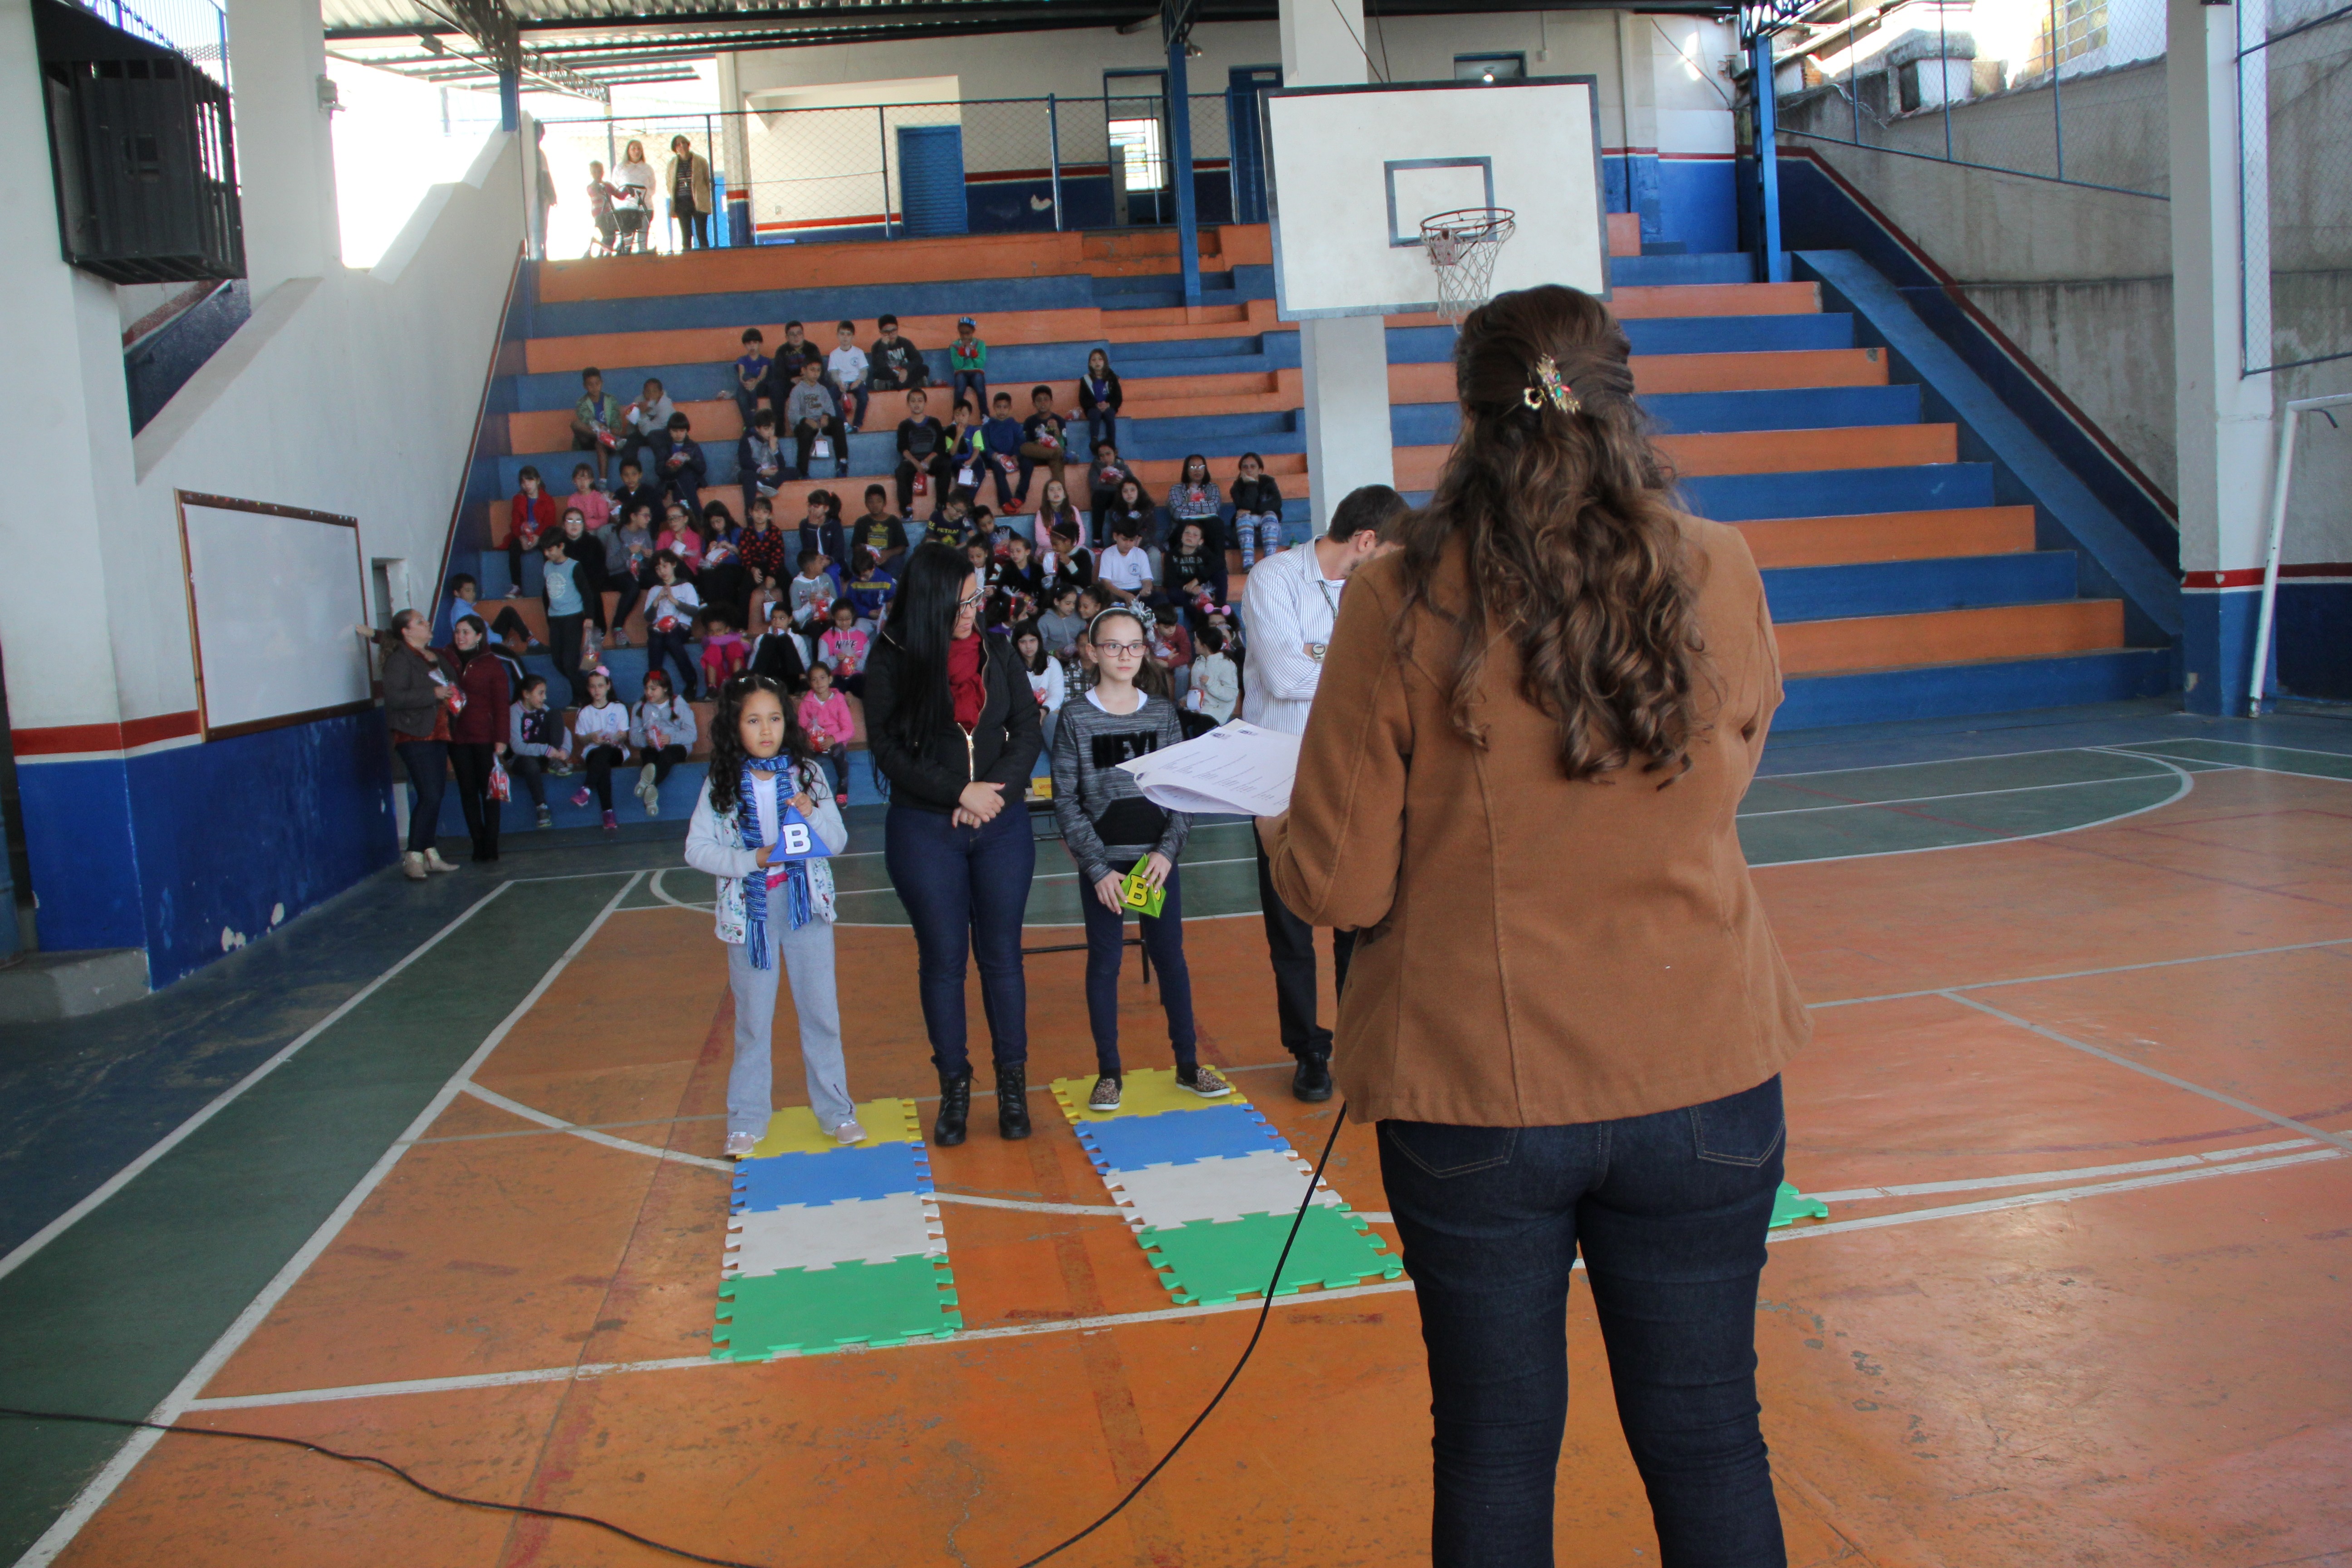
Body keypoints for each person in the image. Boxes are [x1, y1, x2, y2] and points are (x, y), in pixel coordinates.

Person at [1258, 285, 1808, 1568]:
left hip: (1477, 1094)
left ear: (1469, 417)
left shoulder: (1401, 595)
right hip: (1705, 1072)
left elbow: (1340, 887)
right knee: (1713, 1437)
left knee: (1498, 1448)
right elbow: (1736, 761)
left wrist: (1283, 828)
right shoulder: (1717, 562)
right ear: (1621, 400)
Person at [863, 543, 1043, 1147]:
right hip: (924, 830)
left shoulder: (995, 649)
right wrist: (958, 793)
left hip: (1002, 824)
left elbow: (1026, 729)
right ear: (932, 599)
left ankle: (1012, 1087)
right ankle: (955, 1089)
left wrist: (995, 794)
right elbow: (888, 751)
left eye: (977, 598)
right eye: (962, 600)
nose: (973, 610)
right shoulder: (890, 657)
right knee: (942, 962)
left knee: (1002, 958)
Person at [1242, 481, 1404, 1100]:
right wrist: (1364, 669)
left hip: (1354, 774)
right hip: (1275, 777)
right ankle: (1308, 1049)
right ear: (1365, 541)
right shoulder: (1274, 578)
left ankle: (1360, 1041)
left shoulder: (1380, 590)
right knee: (1289, 929)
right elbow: (1284, 678)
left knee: (1356, 918)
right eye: (1389, 553)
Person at [1050, 606, 1227, 1111]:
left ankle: (1188, 1066)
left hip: (1152, 866)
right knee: (1105, 963)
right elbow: (1066, 800)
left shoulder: (1161, 713)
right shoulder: (1076, 719)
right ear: (1092, 652)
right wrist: (1097, 868)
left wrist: (1167, 853)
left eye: (1133, 646)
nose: (1124, 655)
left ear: (1145, 651)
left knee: (1169, 956)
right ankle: (1109, 1072)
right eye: (1112, 646)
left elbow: (1180, 794)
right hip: (1107, 869)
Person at [685, 672, 860, 1156]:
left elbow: (837, 841)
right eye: (754, 721)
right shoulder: (720, 784)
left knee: (821, 1013)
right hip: (751, 919)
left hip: (808, 912)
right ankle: (746, 1117)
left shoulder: (809, 775)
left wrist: (813, 813)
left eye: (776, 719)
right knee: (753, 1022)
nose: (766, 731)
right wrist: (752, 861)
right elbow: (697, 849)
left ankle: (837, 1110)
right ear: (734, 727)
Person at [355, 610, 460, 880]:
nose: (427, 624)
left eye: (426, 621)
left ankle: (430, 853)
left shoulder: (433, 656)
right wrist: (432, 694)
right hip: (414, 735)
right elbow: (395, 697)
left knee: (436, 793)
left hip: (439, 732)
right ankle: (413, 855)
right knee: (430, 794)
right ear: (406, 631)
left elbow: (453, 679)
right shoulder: (399, 659)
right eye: (420, 622)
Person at [436, 612, 510, 862]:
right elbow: (415, 651)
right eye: (457, 632)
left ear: (479, 636)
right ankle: (478, 843)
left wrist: (501, 739)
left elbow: (501, 705)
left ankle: (491, 843)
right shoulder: (445, 657)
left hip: (485, 737)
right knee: (467, 791)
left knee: (489, 792)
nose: (460, 637)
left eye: (466, 632)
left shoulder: (492, 664)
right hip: (457, 737)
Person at [567, 666, 632, 833]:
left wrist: (615, 737)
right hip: (593, 752)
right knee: (601, 761)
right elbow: (581, 738)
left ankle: (587, 789)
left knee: (605, 752)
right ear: (588, 688)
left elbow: (624, 735)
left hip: (615, 751)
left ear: (608, 686)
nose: (596, 690)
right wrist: (591, 737)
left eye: (600, 686)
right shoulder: (584, 712)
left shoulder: (619, 708)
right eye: (593, 686)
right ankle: (608, 813)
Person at [632, 666, 700, 817]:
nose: (649, 693)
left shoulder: (679, 704)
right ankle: (651, 795)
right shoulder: (640, 707)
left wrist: (671, 739)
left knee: (667, 755)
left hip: (676, 746)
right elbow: (634, 737)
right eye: (646, 689)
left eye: (653, 689)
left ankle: (648, 785)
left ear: (665, 689)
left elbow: (692, 734)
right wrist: (646, 740)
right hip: (652, 746)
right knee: (648, 756)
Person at [508, 674, 569, 828]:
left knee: (555, 714)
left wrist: (563, 751)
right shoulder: (514, 712)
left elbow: (565, 731)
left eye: (545, 693)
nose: (545, 697)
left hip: (544, 755)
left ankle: (555, 761)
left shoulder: (543, 709)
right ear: (527, 695)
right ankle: (541, 807)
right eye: (540, 693)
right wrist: (547, 750)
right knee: (531, 766)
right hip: (521, 758)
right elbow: (517, 746)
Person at [642, 550, 703, 699]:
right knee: (655, 641)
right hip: (659, 628)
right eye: (658, 568)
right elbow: (648, 617)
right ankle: (655, 685)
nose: (662, 571)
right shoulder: (655, 590)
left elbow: (694, 611)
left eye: (665, 566)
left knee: (672, 640)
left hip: (680, 627)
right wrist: (657, 601)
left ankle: (691, 681)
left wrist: (673, 600)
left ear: (674, 565)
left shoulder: (686, 586)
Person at [539, 533, 590, 708]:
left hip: (573, 617)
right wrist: (549, 616)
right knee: (557, 660)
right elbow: (546, 593)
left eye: (551, 550)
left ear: (561, 546)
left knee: (570, 662)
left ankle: (581, 696)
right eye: (545, 550)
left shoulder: (574, 566)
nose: (548, 554)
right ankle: (586, 690)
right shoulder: (547, 566)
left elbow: (586, 592)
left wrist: (589, 617)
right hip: (555, 619)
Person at [798, 660, 857, 803]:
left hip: (834, 741)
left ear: (830, 679)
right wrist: (807, 740)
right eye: (814, 679)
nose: (819, 683)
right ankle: (806, 790)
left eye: (823, 678)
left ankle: (843, 788)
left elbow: (849, 729)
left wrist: (833, 739)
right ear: (810, 683)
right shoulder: (807, 703)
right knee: (802, 758)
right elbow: (801, 727)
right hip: (814, 741)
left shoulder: (839, 700)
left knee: (839, 754)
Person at [786, 358, 849, 480]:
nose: (816, 373)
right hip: (805, 425)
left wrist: (826, 417)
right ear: (804, 371)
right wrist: (806, 420)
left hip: (821, 423)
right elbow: (793, 415)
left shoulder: (823, 390)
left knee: (838, 424)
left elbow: (831, 410)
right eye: (812, 370)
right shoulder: (797, 391)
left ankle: (843, 462)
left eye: (818, 371)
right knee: (805, 433)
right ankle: (803, 472)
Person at [894, 387, 951, 515]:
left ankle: (941, 504)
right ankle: (906, 507)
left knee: (945, 464)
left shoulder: (934, 422)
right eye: (913, 401)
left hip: (931, 459)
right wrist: (917, 464)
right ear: (908, 404)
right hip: (912, 460)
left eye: (920, 401)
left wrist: (927, 461)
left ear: (925, 403)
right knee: (901, 471)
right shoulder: (904, 425)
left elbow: (940, 446)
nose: (917, 404)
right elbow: (903, 449)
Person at [1015, 621, 1066, 751]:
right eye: (1023, 642)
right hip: (1023, 714)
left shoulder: (1052, 663)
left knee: (1052, 722)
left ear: (1039, 641)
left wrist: (1044, 711)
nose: (1028, 646)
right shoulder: (1012, 666)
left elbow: (1057, 694)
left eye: (1032, 640)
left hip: (1049, 712)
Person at [1016, 384, 1070, 506]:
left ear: (1051, 402)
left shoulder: (1059, 420)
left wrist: (1056, 431)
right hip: (1038, 455)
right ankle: (1054, 454)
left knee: (1058, 458)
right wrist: (1040, 443)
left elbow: (1063, 445)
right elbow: (1027, 445)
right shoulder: (1030, 421)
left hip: (1054, 456)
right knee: (1023, 448)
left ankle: (1063, 502)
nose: (1043, 403)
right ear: (1034, 404)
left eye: (1046, 399)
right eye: (1039, 400)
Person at [1230, 452, 1285, 569]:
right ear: (1240, 471)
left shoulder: (1269, 483)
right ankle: (1248, 565)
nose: (1249, 470)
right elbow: (1246, 504)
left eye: (1253, 467)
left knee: (1270, 515)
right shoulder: (1237, 488)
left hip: (1270, 532)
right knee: (1243, 518)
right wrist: (1252, 484)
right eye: (1245, 467)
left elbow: (1276, 505)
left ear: (1260, 470)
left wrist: (1254, 510)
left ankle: (1270, 562)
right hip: (1245, 536)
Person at [508, 466, 559, 590]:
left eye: (530, 481)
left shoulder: (547, 500)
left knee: (549, 547)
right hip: (524, 536)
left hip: (542, 535)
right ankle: (516, 587)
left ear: (538, 481)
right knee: (514, 547)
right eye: (523, 482)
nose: (526, 485)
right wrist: (521, 538)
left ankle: (552, 583)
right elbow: (515, 524)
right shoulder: (518, 500)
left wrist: (538, 536)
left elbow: (549, 523)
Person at [572, 369, 623, 486]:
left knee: (600, 444)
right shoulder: (582, 402)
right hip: (590, 436)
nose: (595, 387)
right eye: (590, 385)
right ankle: (605, 437)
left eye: (597, 384)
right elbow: (587, 419)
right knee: (575, 424)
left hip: (606, 439)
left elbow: (616, 421)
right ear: (585, 386)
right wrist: (599, 429)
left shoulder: (611, 400)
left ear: (602, 383)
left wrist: (614, 430)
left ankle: (603, 483)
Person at [1167, 455, 1225, 554]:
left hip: (1208, 529)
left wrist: (1188, 504)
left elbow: (1214, 508)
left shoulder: (1212, 488)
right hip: (1183, 527)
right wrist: (1203, 508)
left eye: (1201, 467)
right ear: (1186, 470)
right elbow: (1177, 512)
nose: (1197, 470)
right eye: (1193, 467)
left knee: (1216, 524)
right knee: (1184, 525)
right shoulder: (1176, 489)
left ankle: (1219, 568)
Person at [978, 392, 1025, 510]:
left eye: (1005, 407)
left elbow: (1020, 442)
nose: (1002, 411)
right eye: (999, 407)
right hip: (995, 459)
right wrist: (995, 456)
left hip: (1012, 458)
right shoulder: (987, 427)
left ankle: (1020, 496)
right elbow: (984, 446)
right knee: (998, 469)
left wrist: (1015, 455)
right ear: (994, 407)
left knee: (1028, 464)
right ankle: (1005, 501)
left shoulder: (1015, 425)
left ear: (1010, 408)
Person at [652, 412, 705, 512]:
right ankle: (696, 513)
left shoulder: (693, 446)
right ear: (669, 431)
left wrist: (689, 460)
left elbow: (702, 469)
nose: (679, 434)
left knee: (684, 476)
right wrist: (670, 468)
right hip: (670, 480)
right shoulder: (663, 447)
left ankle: (682, 508)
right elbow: (659, 470)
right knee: (681, 477)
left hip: (690, 480)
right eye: (675, 431)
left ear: (687, 431)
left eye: (682, 431)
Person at [668, 134, 714, 250]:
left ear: (688, 144)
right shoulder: (672, 164)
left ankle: (705, 259)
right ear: (675, 148)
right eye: (678, 144)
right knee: (686, 235)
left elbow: (706, 180)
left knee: (701, 234)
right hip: (682, 202)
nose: (682, 146)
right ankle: (687, 260)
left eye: (684, 142)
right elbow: (670, 182)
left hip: (698, 200)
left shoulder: (700, 161)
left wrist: (705, 197)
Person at [818, 598, 870, 696]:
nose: (844, 623)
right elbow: (821, 667)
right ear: (833, 617)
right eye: (840, 619)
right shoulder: (826, 638)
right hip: (835, 677)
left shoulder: (862, 637)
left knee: (862, 685)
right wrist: (836, 659)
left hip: (857, 677)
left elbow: (868, 666)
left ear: (853, 616)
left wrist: (856, 661)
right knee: (836, 690)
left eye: (848, 619)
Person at [750, 601, 808, 689]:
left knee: (785, 640)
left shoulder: (797, 639)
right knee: (769, 639)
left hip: (789, 679)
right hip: (767, 679)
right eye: (774, 618)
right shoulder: (762, 639)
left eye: (782, 619)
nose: (777, 622)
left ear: (790, 620)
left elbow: (806, 665)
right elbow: (753, 664)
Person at [625, 378, 676, 478]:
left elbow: (649, 433)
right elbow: (632, 423)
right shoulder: (638, 401)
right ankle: (631, 473)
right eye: (648, 392)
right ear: (643, 393)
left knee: (654, 437)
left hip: (663, 433)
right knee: (630, 441)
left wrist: (643, 414)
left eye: (655, 392)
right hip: (646, 431)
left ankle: (663, 471)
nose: (651, 395)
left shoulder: (665, 406)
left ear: (661, 393)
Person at [1097, 518, 1153, 605]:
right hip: (1116, 592)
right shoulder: (1108, 554)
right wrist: (1126, 595)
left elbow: (1147, 580)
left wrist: (1147, 589)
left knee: (1160, 599)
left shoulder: (1141, 554)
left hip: (1137, 592)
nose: (1128, 544)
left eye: (1132, 540)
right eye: (1125, 539)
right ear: (1115, 537)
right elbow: (1106, 583)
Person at [828, 319, 871, 432]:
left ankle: (857, 425)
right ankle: (844, 423)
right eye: (842, 334)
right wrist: (839, 383)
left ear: (853, 337)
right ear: (838, 335)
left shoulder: (859, 352)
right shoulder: (834, 354)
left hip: (856, 382)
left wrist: (858, 381)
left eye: (848, 334)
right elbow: (834, 373)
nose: (845, 338)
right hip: (841, 383)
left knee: (864, 398)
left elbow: (864, 371)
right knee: (829, 396)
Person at [612, 140, 656, 252]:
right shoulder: (621, 168)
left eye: (639, 149)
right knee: (627, 239)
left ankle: (643, 259)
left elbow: (652, 187)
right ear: (628, 151)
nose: (637, 151)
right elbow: (616, 187)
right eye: (634, 149)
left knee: (643, 239)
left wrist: (642, 197)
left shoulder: (647, 168)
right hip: (627, 209)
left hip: (645, 207)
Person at [1191, 625, 1240, 723]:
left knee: (1200, 726)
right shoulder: (1198, 663)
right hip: (1199, 710)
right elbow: (1196, 689)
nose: (1194, 643)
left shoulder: (1226, 664)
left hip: (1218, 712)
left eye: (1196, 641)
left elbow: (1231, 694)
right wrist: (1189, 701)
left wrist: (1210, 683)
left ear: (1205, 645)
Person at [1086, 442, 1132, 546]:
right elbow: (1094, 485)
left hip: (1119, 498)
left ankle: (1117, 538)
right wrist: (1112, 483)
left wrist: (1121, 483)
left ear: (1115, 453)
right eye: (1102, 455)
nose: (1105, 458)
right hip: (1102, 500)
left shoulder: (1122, 466)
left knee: (1121, 498)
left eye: (1108, 454)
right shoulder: (1096, 467)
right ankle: (1097, 539)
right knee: (1099, 496)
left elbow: (1133, 484)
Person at [1079, 348, 1122, 453]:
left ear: (1105, 362)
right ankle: (1094, 440)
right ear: (1089, 363)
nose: (1097, 362)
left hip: (1108, 407)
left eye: (1100, 359)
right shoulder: (1085, 380)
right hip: (1094, 407)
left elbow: (1118, 397)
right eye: (1094, 360)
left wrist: (1109, 404)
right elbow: (1083, 399)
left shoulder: (1112, 379)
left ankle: (1112, 443)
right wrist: (1095, 405)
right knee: (1095, 415)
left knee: (1110, 416)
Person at [701, 608, 750, 691]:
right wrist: (738, 638)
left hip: (734, 673)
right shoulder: (707, 639)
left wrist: (735, 640)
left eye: (719, 630)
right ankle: (712, 687)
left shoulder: (734, 638)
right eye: (711, 631)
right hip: (717, 677)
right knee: (713, 649)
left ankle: (737, 682)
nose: (715, 634)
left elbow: (748, 648)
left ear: (727, 629)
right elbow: (712, 641)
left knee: (735, 647)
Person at [733, 329, 771, 428]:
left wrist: (755, 382)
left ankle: (748, 424)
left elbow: (763, 375)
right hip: (746, 386)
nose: (752, 346)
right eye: (749, 343)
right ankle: (753, 414)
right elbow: (742, 376)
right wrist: (748, 383)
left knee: (743, 389)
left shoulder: (765, 360)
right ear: (745, 345)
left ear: (760, 344)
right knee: (743, 388)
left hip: (760, 386)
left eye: (755, 343)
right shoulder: (742, 360)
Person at [948, 316, 988, 409]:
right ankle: (956, 415)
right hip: (961, 372)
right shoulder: (954, 346)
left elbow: (980, 365)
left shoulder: (980, 344)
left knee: (981, 390)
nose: (965, 336)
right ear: (958, 331)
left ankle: (985, 414)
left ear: (973, 332)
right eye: (962, 333)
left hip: (976, 372)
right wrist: (961, 351)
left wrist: (973, 352)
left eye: (968, 333)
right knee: (959, 390)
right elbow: (958, 366)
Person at [584, 162, 620, 258]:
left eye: (599, 172)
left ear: (603, 172)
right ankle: (602, 255)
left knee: (611, 236)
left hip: (609, 214)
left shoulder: (607, 186)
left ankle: (606, 254)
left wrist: (627, 191)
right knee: (608, 236)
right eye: (594, 172)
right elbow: (593, 191)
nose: (597, 174)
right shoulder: (591, 187)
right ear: (591, 174)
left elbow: (620, 195)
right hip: (600, 216)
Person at [531, 124, 555, 257]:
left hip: (539, 196)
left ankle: (541, 253)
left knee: (539, 231)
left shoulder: (536, 153)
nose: (541, 138)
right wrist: (551, 194)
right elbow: (544, 175)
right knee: (539, 230)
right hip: (539, 196)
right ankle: (540, 256)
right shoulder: (537, 154)